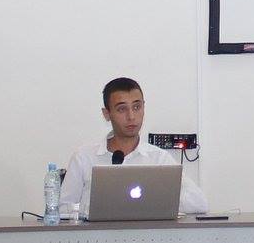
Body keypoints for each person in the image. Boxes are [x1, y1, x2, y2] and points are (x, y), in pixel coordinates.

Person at [60, 77, 208, 215]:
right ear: (107, 114)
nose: (131, 116)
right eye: (122, 109)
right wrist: (92, 207)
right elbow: (62, 209)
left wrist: (153, 198)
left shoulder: (158, 159)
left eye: (137, 107)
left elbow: (199, 204)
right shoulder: (84, 158)